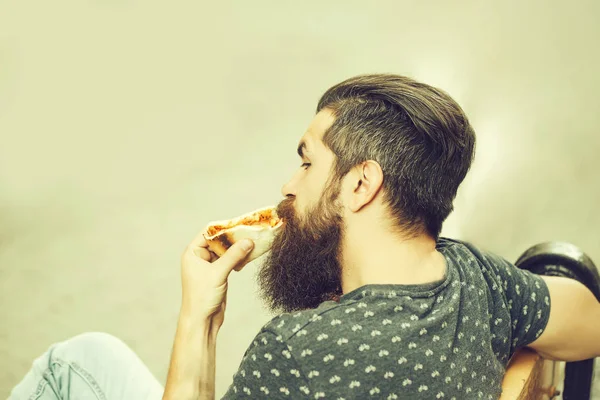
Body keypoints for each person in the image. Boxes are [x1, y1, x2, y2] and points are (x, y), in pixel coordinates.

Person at [9, 74, 600, 400]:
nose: (289, 186)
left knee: (73, 362)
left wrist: (198, 317)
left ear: (360, 183)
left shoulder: (301, 353)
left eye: (307, 163)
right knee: (93, 355)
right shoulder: (478, 280)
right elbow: (588, 324)